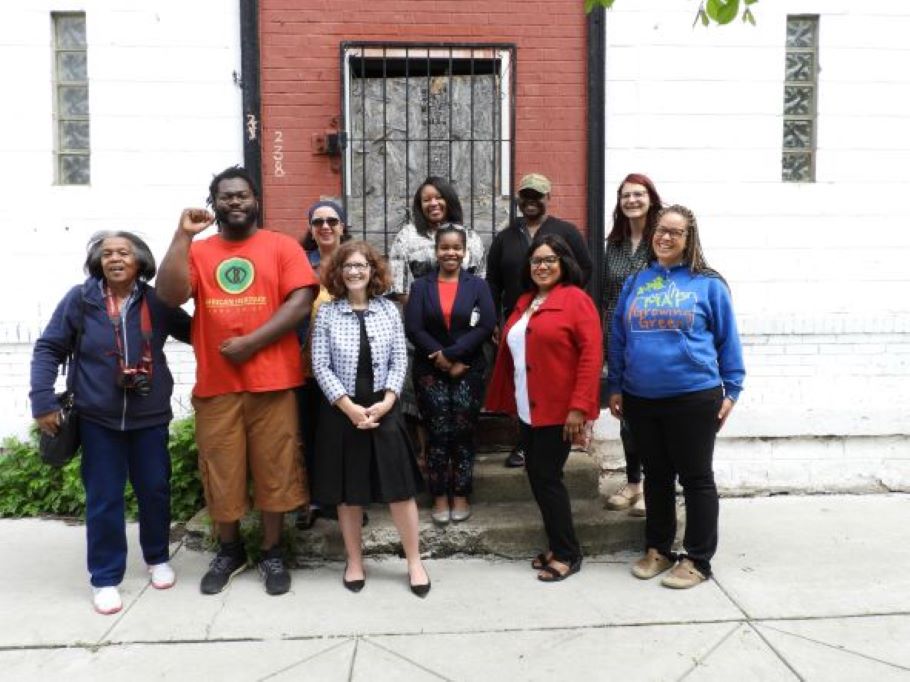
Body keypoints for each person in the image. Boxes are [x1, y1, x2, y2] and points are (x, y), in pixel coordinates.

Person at [156, 166, 318, 596]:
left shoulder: (281, 246)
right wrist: (182, 235)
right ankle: (229, 550)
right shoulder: (199, 251)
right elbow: (169, 295)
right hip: (217, 384)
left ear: (255, 200)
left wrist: (253, 343)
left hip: (273, 381)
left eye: (242, 195)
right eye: (226, 196)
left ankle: (271, 551)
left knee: (276, 468)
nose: (235, 202)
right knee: (221, 470)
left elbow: (302, 300)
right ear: (215, 204)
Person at [29, 231, 191, 615]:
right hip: (97, 417)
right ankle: (105, 577)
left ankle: (157, 557)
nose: (115, 258)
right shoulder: (80, 300)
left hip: (149, 416)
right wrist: (41, 400)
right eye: (107, 254)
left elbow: (199, 333)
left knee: (154, 490)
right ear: (98, 262)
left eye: (123, 252)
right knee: (104, 498)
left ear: (140, 261)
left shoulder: (157, 301)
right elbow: (49, 347)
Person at [607, 204, 745, 590]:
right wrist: (616, 384)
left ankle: (698, 559)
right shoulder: (637, 281)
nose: (665, 237)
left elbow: (727, 340)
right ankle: (659, 549)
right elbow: (619, 336)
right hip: (641, 397)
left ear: (690, 239)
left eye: (675, 232)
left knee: (697, 477)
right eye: (660, 231)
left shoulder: (708, 284)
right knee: (657, 476)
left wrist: (732, 389)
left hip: (693, 397)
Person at [311, 241, 430, 597]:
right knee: (349, 493)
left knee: (400, 489)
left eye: (361, 265)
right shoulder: (328, 313)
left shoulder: (390, 311)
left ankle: (414, 562)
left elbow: (399, 358)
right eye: (347, 266)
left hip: (384, 409)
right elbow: (320, 364)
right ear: (338, 273)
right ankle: (354, 561)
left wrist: (389, 400)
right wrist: (348, 407)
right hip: (341, 412)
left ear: (372, 271)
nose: (354, 272)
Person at [485, 234, 602, 582]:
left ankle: (568, 553)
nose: (543, 266)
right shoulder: (525, 301)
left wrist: (579, 408)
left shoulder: (576, 301)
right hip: (528, 409)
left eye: (550, 259)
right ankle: (558, 545)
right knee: (538, 477)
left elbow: (592, 355)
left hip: (560, 411)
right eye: (536, 261)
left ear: (564, 263)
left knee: (548, 479)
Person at [486, 173, 593, 468]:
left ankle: (555, 441)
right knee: (520, 380)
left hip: (554, 324)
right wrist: (496, 320)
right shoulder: (505, 236)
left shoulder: (567, 232)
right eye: (525, 196)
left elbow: (585, 268)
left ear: (548, 198)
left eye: (537, 196)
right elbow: (492, 282)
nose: (531, 201)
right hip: (517, 323)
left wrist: (563, 305)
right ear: (518, 199)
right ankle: (522, 442)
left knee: (549, 380)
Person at [388, 177, 486, 462]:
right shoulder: (407, 237)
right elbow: (401, 288)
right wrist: (432, 342)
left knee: (461, 402)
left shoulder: (472, 238)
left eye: (438, 197)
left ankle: (459, 461)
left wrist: (461, 345)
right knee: (422, 404)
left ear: (449, 201)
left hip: (462, 338)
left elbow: (480, 286)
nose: (433, 203)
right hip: (422, 335)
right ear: (419, 206)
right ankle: (427, 459)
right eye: (426, 199)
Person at [404, 225, 496, 526]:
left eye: (457, 247)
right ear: (436, 251)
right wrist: (442, 359)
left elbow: (485, 325)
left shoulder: (477, 286)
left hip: (468, 370)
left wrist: (456, 356)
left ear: (465, 251)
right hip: (430, 371)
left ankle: (461, 494)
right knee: (437, 434)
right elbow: (414, 328)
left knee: (463, 434)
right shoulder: (421, 287)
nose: (451, 253)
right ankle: (439, 496)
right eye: (445, 247)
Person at [602, 173, 664, 517]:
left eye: (638, 194)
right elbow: (605, 295)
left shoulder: (663, 240)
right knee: (625, 416)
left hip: (652, 339)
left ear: (651, 198)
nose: (632, 201)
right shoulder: (614, 244)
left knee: (651, 418)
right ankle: (634, 482)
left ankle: (655, 485)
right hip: (617, 338)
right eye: (626, 195)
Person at [296, 200, 350, 528]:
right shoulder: (301, 264)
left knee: (344, 434)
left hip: (347, 364)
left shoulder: (357, 261)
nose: (325, 227)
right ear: (312, 230)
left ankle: (345, 498)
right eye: (318, 222)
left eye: (332, 220)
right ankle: (314, 500)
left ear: (343, 225)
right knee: (310, 431)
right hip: (305, 363)